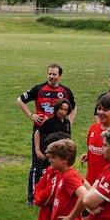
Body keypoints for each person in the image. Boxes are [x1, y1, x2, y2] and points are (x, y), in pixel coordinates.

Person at [18, 64, 75, 203]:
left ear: (60, 76)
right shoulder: (39, 88)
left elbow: (74, 106)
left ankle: (54, 193)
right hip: (41, 132)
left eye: (54, 74)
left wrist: (69, 121)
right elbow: (20, 100)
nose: (51, 76)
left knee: (57, 164)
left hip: (59, 134)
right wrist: (31, 115)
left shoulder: (66, 91)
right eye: (49, 73)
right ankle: (32, 196)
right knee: (38, 163)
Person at [33, 99, 73, 190]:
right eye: (61, 109)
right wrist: (37, 150)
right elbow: (37, 133)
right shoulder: (50, 122)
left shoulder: (67, 123)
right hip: (51, 155)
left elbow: (68, 138)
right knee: (48, 176)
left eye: (65, 110)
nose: (63, 112)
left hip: (62, 155)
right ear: (56, 109)